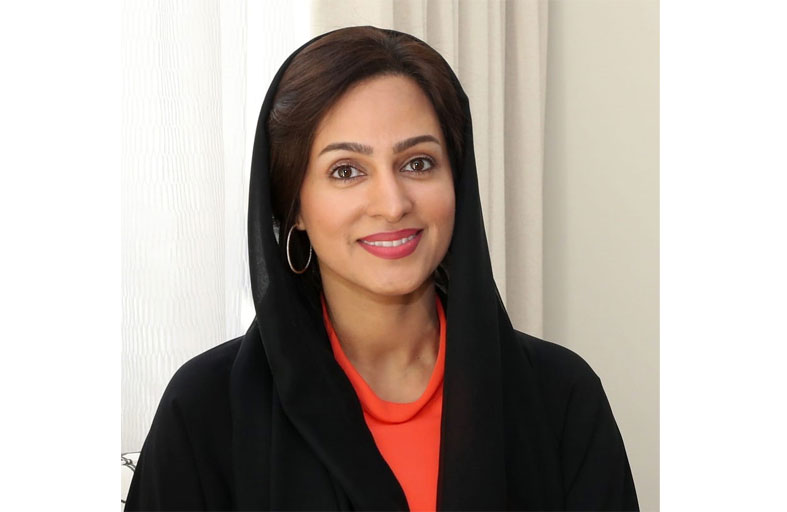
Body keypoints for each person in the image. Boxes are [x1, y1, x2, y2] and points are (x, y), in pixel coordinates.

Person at [125, 26, 639, 511]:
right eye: (346, 171)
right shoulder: (206, 411)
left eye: (418, 163)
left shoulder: (561, 398)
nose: (392, 204)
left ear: (458, 182)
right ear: (293, 206)